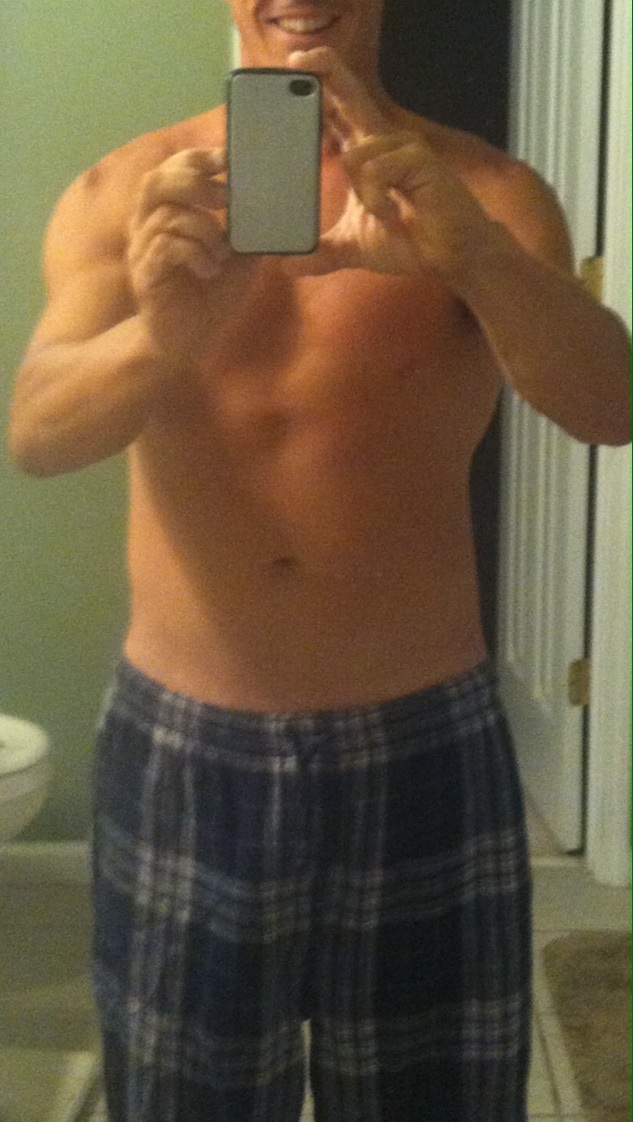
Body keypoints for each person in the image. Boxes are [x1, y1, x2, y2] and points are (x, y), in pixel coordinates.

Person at [8, 1, 631, 1119]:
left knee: (435, 1097)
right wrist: (166, 331)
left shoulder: (483, 196)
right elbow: (39, 436)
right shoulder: (134, 194)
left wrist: (475, 260)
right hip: (188, 743)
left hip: (424, 741)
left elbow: (609, 406)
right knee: (182, 1096)